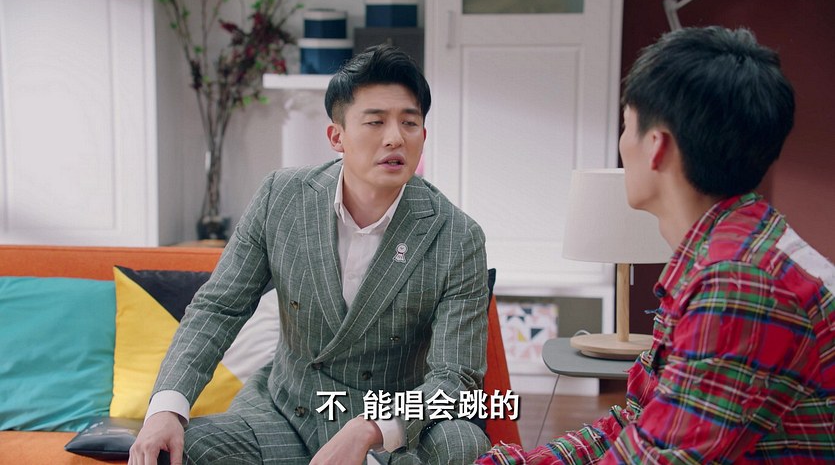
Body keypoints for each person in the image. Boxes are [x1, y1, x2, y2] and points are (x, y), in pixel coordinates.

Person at [477, 25, 835, 464]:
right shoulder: (719, 257)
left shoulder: (739, 284)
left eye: (626, 126)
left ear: (655, 146)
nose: (621, 144)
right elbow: (637, 422)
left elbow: (651, 458)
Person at [130, 44, 492, 465]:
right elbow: (219, 307)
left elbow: (456, 377)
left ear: (422, 137)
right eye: (375, 121)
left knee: (463, 444)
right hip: (288, 413)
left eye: (409, 123)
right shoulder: (281, 197)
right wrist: (166, 408)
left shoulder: (458, 236)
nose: (395, 137)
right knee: (183, 447)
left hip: (392, 430)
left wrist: (370, 428)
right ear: (337, 137)